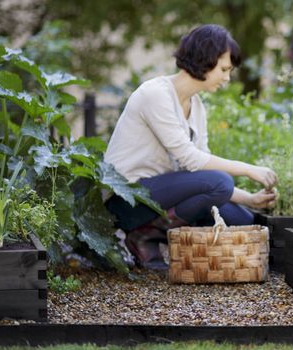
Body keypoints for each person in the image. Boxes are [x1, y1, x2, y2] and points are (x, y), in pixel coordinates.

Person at [104, 24, 277, 269]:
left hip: (161, 195)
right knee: (222, 183)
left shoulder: (196, 107)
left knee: (242, 218)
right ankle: (143, 235)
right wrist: (249, 169)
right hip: (127, 200)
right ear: (205, 59)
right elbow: (192, 160)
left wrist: (250, 199)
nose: (227, 78)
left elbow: (202, 172)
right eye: (224, 69)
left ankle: (159, 235)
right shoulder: (155, 94)